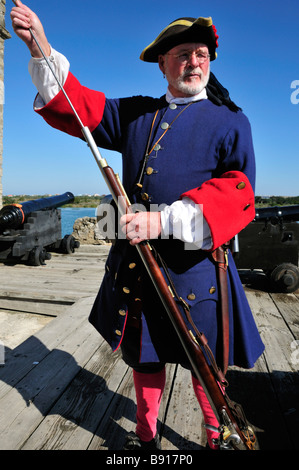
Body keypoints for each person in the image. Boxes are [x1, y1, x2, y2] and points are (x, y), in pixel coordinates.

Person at [11, 1, 264, 451]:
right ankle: (146, 439)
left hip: (198, 271)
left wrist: (162, 221)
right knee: (144, 358)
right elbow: (76, 103)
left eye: (201, 55)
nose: (194, 62)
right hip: (138, 271)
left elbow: (240, 190)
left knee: (205, 364)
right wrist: (40, 45)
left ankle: (216, 437)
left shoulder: (231, 121)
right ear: (163, 64)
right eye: (183, 54)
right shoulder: (136, 114)